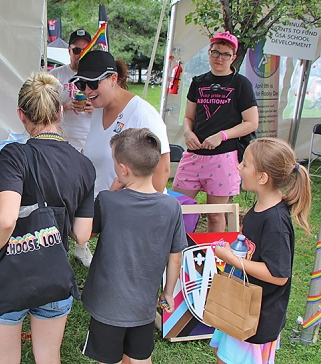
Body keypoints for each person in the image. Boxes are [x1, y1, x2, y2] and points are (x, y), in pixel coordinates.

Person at [0, 72, 96, 364]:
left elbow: (6, 220)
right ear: (59, 112)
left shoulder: (14, 155)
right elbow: (81, 235)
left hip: (8, 271)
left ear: (21, 115)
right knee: (48, 357)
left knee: (5, 359)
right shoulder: (84, 164)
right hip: (54, 272)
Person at [81, 128, 187, 364]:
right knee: (140, 357)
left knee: (109, 359)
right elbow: (175, 256)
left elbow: (87, 234)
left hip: (107, 305)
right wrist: (168, 292)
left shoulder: (108, 201)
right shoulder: (171, 207)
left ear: (122, 169)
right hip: (144, 306)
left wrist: (111, 189)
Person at [211, 138, 311, 364]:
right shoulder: (258, 210)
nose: (238, 167)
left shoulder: (276, 222)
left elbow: (278, 275)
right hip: (240, 307)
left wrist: (233, 260)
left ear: (262, 178)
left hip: (258, 319)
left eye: (245, 164)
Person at [172, 31, 258, 232]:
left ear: (233, 57)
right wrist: (187, 133)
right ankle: (175, 253)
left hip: (224, 157)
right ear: (209, 53)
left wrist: (222, 135)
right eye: (215, 52)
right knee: (176, 207)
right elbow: (189, 118)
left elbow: (251, 123)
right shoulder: (198, 81)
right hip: (193, 155)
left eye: (225, 54)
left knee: (216, 214)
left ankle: (215, 258)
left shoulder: (241, 84)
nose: (219, 58)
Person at [75, 50, 171, 194]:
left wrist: (146, 208)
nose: (87, 91)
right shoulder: (98, 113)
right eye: (81, 84)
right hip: (102, 207)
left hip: (131, 211)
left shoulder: (143, 114)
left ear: (114, 79)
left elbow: (162, 170)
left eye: (93, 83)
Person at [49, 28, 94, 267]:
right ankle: (55, 243)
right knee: (62, 196)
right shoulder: (56, 76)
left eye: (86, 49)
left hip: (92, 143)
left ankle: (81, 245)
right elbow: (44, 113)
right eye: (76, 49)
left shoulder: (98, 75)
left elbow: (112, 107)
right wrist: (65, 107)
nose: (80, 54)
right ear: (68, 51)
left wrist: (93, 108)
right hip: (64, 143)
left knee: (87, 196)